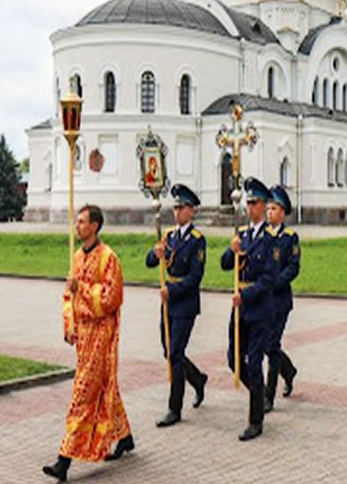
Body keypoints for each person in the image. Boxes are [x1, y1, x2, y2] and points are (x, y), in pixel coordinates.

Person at [43, 205, 133, 482]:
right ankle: (125, 437)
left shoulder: (109, 258)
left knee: (83, 393)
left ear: (95, 226)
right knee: (104, 387)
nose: (77, 226)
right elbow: (68, 297)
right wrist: (69, 325)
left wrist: (80, 288)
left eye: (82, 222)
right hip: (83, 334)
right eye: (77, 222)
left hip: (101, 335)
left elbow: (111, 298)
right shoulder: (77, 256)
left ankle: (64, 460)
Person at [145, 185, 209, 428]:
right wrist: (155, 252)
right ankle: (198, 379)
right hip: (168, 304)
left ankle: (174, 408)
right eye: (175, 207)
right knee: (170, 352)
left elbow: (195, 277)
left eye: (181, 207)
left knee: (175, 353)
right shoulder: (169, 235)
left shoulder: (197, 241)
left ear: (191, 211)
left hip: (185, 304)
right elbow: (150, 262)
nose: (177, 211)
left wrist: (171, 290)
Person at [220, 178, 277, 441]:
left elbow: (269, 279)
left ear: (265, 206)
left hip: (258, 308)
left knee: (254, 363)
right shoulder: (241, 235)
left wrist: (246, 294)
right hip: (240, 310)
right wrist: (231, 252)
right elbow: (224, 264)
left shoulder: (270, 240)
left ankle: (256, 420)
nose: (250, 207)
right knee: (234, 358)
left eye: (254, 202)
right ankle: (259, 392)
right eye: (248, 202)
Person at [263, 185, 300, 413]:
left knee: (271, 344)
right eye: (267, 209)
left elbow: (293, 267)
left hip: (279, 300)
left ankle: (269, 396)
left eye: (274, 209)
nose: (269, 213)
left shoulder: (289, 238)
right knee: (269, 345)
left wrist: (276, 282)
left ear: (283, 212)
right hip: (262, 300)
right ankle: (288, 371)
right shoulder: (262, 235)